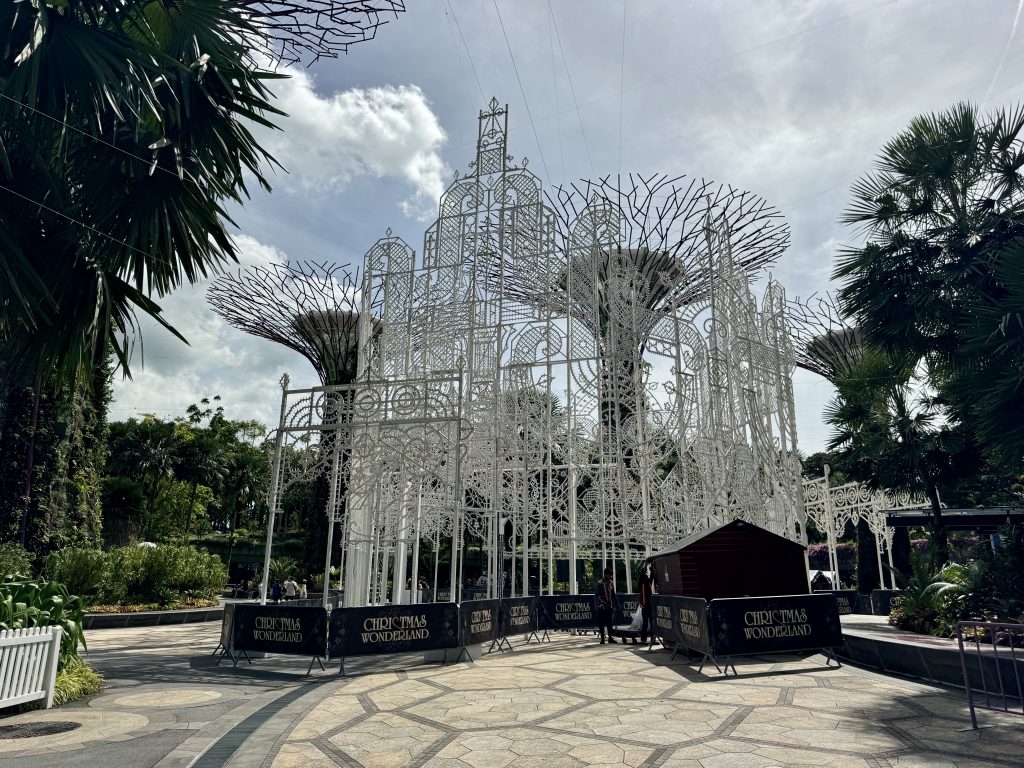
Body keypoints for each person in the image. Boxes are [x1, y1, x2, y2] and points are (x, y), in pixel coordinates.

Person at [595, 567, 616, 644]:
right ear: (606, 574)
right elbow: (596, 595)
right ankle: (602, 638)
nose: (610, 577)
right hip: (601, 605)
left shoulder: (611, 583)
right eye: (610, 575)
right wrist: (597, 605)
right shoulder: (600, 583)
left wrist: (616, 604)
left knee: (609, 622)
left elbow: (613, 594)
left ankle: (610, 637)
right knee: (601, 623)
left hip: (609, 605)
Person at [638, 560, 655, 644]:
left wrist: (651, 570)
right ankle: (645, 638)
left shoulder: (646, 582)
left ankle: (649, 638)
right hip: (645, 604)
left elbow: (651, 577)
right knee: (647, 622)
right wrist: (646, 565)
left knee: (649, 622)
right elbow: (645, 575)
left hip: (647, 604)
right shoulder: (641, 582)